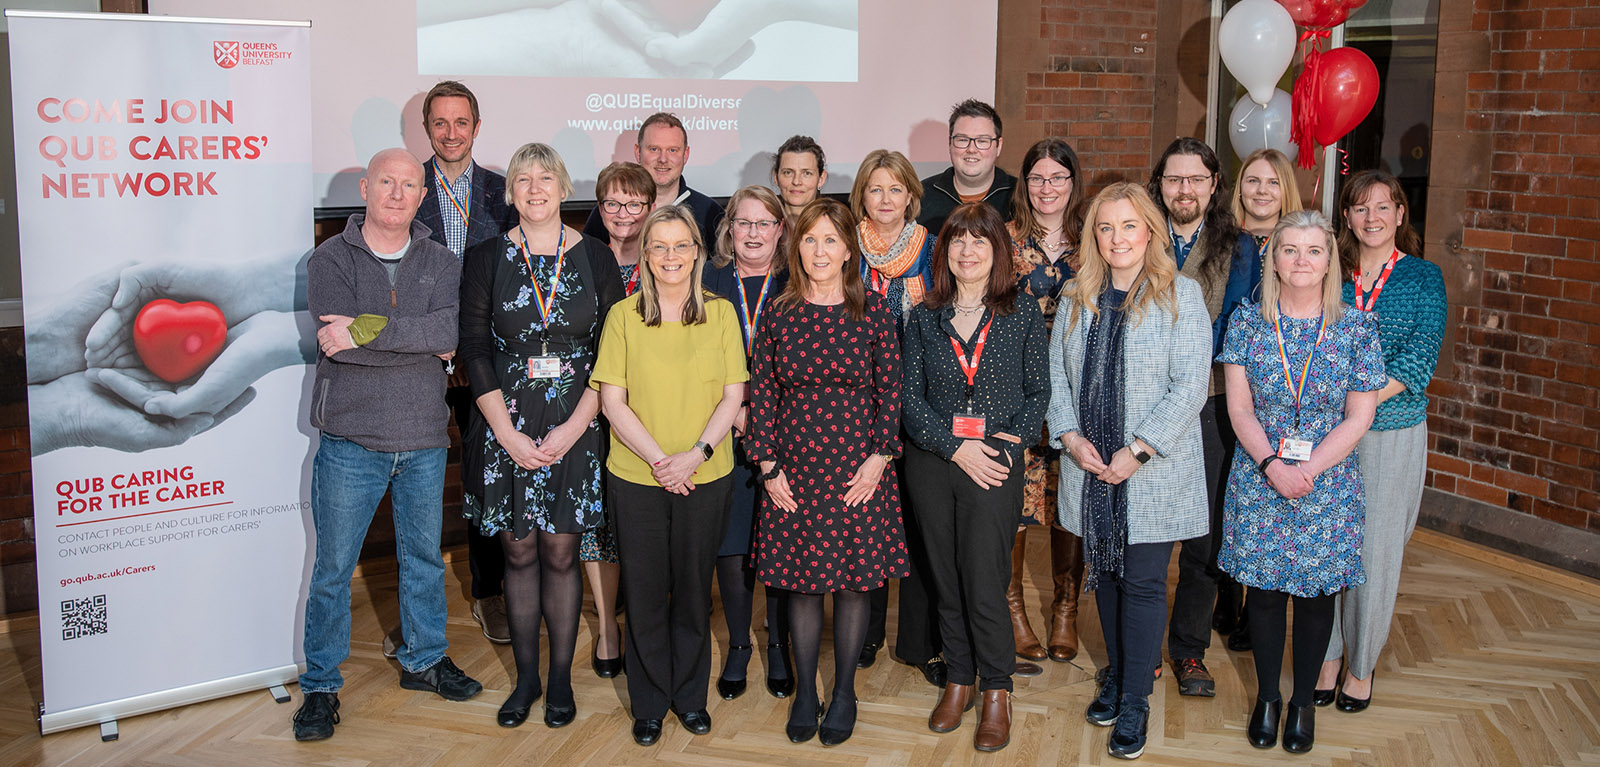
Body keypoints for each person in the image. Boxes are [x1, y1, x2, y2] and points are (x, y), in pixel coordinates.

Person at [293, 148, 480, 742]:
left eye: (409, 185)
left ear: (422, 195)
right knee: (332, 570)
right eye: (386, 183)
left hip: (424, 437)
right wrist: (416, 343)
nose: (398, 194)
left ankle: (424, 660)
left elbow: (447, 331)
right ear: (366, 189)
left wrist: (369, 331)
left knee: (424, 562)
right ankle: (321, 685)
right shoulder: (328, 259)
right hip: (351, 440)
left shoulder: (444, 261)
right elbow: (336, 340)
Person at [457, 143, 625, 729]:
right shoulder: (485, 258)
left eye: (545, 177)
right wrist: (505, 433)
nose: (534, 188)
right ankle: (525, 680)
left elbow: (614, 350)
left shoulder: (598, 258)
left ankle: (559, 682)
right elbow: (474, 350)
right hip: (504, 422)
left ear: (562, 186)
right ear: (511, 192)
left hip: (577, 422)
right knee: (518, 549)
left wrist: (578, 425)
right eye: (523, 179)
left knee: (561, 551)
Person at [1047, 182, 1210, 760]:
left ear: (1150, 231)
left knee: (1141, 580)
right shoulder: (1074, 298)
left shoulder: (1181, 297)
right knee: (1108, 577)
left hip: (1152, 471)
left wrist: (1136, 451)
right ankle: (1117, 673)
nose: (1117, 238)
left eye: (1129, 225)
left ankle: (1136, 699)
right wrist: (1069, 436)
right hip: (1090, 466)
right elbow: (1057, 381)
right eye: (1105, 227)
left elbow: (1192, 385)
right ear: (1094, 235)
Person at [1217, 210, 1384, 754]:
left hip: (1327, 485)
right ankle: (1267, 697)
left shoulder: (1357, 328)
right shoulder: (1247, 321)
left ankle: (1303, 703)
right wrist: (1272, 465)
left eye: (1314, 251)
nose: (1302, 260)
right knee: (1263, 595)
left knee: (1316, 598)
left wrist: (1308, 470)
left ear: (1331, 260)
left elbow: (1359, 417)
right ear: (1275, 257)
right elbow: (1239, 409)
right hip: (1261, 475)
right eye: (1290, 249)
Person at [745, 198, 909, 747]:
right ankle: (807, 695)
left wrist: (879, 458)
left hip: (858, 468)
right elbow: (763, 391)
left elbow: (893, 393)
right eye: (810, 240)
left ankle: (843, 693)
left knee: (856, 585)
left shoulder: (875, 313)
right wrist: (767, 465)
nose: (819, 250)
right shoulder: (780, 311)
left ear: (847, 251)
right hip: (794, 468)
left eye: (830, 241)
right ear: (798, 247)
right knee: (802, 585)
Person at [591, 205, 747, 747]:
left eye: (682, 245)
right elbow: (612, 401)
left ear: (698, 253)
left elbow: (734, 396)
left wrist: (696, 455)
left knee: (693, 592)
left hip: (708, 473)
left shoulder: (723, 314)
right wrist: (663, 461)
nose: (671, 256)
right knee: (646, 591)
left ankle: (690, 696)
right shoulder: (623, 316)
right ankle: (650, 703)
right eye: (660, 246)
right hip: (637, 476)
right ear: (647, 254)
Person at [903, 203, 1049, 752]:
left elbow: (1038, 393)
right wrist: (954, 447)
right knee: (944, 577)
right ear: (944, 253)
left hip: (996, 464)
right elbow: (909, 400)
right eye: (957, 242)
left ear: (997, 251)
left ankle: (996, 688)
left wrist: (1007, 441)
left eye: (979, 242)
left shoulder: (1022, 313)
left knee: (985, 582)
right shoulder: (924, 314)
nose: (967, 251)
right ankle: (959, 678)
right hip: (934, 463)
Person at [383, 79, 519, 658]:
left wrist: (473, 349)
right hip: (421, 358)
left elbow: (516, 273)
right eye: (440, 123)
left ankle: (489, 590)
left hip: (486, 359)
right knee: (411, 478)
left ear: (477, 127)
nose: (451, 132)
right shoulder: (405, 188)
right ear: (426, 129)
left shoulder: (503, 191)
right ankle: (415, 615)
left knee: (485, 473)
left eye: (461, 122)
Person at [1317, 170, 1447, 713]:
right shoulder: (1329, 274)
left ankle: (1361, 665)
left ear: (1400, 215)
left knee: (1374, 550)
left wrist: (1360, 406)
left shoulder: (1423, 279)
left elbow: (1418, 360)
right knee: (1326, 544)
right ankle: (1325, 654)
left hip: (1390, 433)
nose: (1372, 218)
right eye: (1360, 208)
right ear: (1345, 216)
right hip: (1324, 431)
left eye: (1383, 207)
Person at [1145, 137, 1242, 698]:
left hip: (1209, 405)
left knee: (1204, 537)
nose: (1184, 190)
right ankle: (1144, 646)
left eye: (1196, 180)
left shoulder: (1239, 248)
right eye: (1174, 179)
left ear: (1212, 187)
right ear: (1159, 184)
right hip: (1143, 408)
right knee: (1148, 535)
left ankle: (1188, 650)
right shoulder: (1137, 237)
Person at [847, 148, 942, 680]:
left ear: (911, 195)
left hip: (919, 399)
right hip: (858, 406)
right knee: (868, 523)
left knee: (918, 521)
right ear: (862, 195)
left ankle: (919, 642)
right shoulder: (843, 248)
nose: (885, 200)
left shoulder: (933, 249)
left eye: (895, 189)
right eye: (875, 189)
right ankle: (866, 632)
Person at [702, 186, 794, 701]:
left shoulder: (796, 282)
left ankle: (777, 644)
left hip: (787, 433)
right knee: (733, 546)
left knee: (781, 543)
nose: (753, 233)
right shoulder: (708, 280)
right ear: (729, 227)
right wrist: (734, 409)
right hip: (724, 427)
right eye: (744, 222)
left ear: (780, 229)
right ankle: (740, 644)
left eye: (764, 223)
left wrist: (763, 411)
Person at [1212, 147, 1304, 652]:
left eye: (1272, 181)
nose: (1261, 190)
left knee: (1268, 500)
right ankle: (1227, 590)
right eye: (1252, 181)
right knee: (1228, 490)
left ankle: (1256, 602)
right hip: (1227, 382)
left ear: (1284, 188)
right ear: (1239, 187)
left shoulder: (1301, 243)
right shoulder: (1224, 239)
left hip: (1286, 391)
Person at [1006, 138, 1087, 666]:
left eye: (1058, 177)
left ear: (1073, 185)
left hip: (1079, 393)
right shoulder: (1006, 239)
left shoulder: (1096, 240)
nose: (1048, 187)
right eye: (1038, 177)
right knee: (1013, 506)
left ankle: (1066, 608)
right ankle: (1011, 608)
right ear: (1024, 184)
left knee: (1068, 506)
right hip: (1016, 392)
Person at [581, 160, 658, 679]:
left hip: (654, 410)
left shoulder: (668, 260)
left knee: (646, 524)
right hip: (590, 407)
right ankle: (608, 627)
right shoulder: (582, 259)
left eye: (634, 204)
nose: (624, 214)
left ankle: (650, 624)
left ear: (652, 208)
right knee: (598, 526)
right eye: (613, 203)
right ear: (599, 208)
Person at [584, 113, 726, 248]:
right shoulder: (611, 213)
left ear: (685, 154)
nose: (663, 159)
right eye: (654, 149)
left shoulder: (710, 213)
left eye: (672, 150)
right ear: (638, 152)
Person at [918, 99, 1016, 236]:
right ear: (950, 143)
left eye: (982, 141)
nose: (971, 149)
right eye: (963, 140)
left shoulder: (1019, 196)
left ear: (998, 146)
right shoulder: (921, 196)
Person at [772, 135, 828, 222]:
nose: (796, 182)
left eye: (807, 173)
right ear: (776, 177)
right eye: (788, 172)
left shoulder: (835, 228)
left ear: (821, 179)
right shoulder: (762, 228)